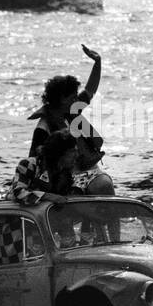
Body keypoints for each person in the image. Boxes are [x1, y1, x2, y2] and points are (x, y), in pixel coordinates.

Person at [28, 45, 114, 196]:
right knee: (84, 191)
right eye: (72, 96)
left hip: (89, 170)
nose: (77, 99)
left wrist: (97, 62)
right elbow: (33, 163)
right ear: (61, 99)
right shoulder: (43, 128)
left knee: (104, 185)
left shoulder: (72, 110)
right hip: (64, 176)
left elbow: (90, 90)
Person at [8, 129, 78, 205]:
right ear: (60, 154)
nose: (76, 155)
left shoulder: (66, 171)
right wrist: (48, 196)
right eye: (72, 151)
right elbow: (18, 193)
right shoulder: (30, 165)